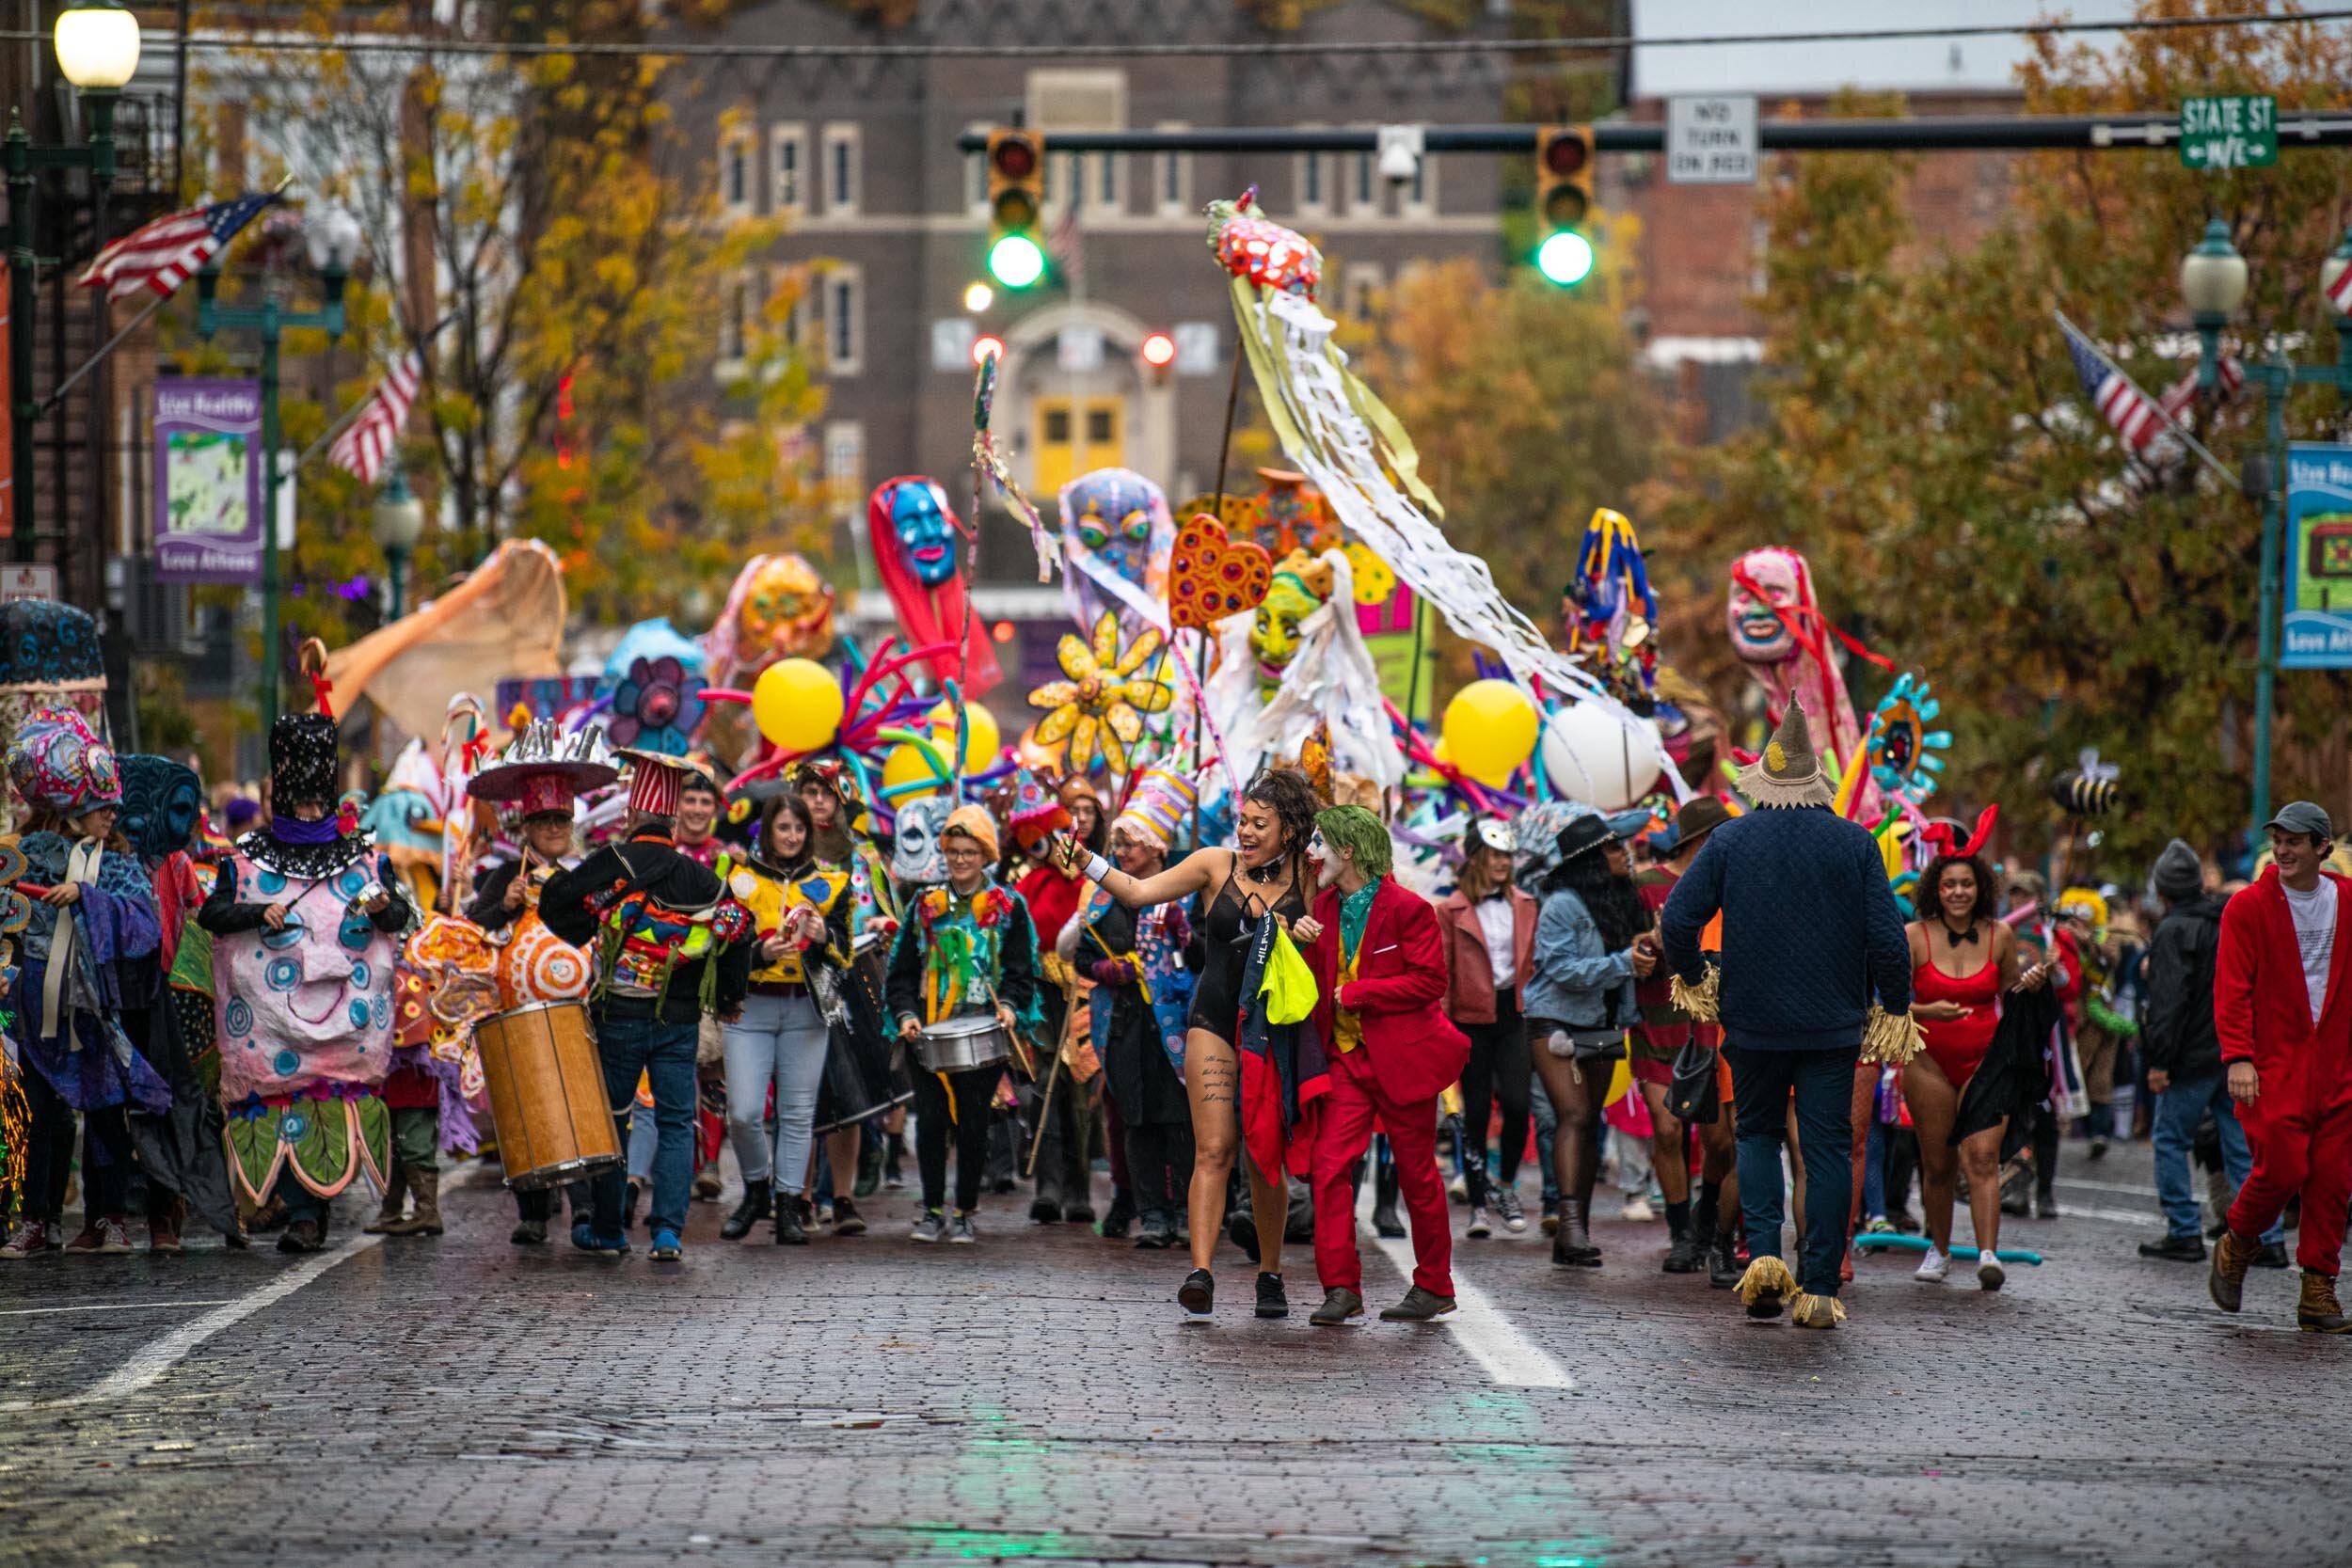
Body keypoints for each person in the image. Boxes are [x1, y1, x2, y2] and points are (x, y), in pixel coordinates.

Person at [1661, 705, 1911, 1329]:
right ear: (1817, 781)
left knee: (1757, 1138)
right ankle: (1821, 1287)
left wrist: (1695, 978)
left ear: (1763, 781)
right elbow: (1888, 938)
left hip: (1751, 1022)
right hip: (1833, 1025)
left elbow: (1676, 920)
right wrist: (1896, 1006)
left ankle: (1766, 1262)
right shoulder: (1854, 843)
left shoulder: (1729, 840)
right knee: (1825, 1151)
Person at [1058, 768, 1324, 1321]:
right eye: (1242, 821)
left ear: (1291, 829)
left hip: (1274, 1031)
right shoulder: (1214, 864)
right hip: (1213, 1021)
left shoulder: (1312, 877)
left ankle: (1269, 1274)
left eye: (1259, 824)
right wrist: (1088, 861)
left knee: (1262, 1153)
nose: (1245, 833)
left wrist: (1311, 935)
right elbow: (1137, 890)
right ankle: (1200, 1273)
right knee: (1214, 1149)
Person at [197, 712, 411, 1254]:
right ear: (282, 794)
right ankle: (300, 1213)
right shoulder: (246, 861)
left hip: (345, 1029)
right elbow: (214, 914)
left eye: (320, 800)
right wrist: (257, 911)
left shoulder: (364, 861)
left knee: (331, 1100)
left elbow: (396, 916)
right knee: (282, 1101)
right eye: (304, 800)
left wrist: (384, 909)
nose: (312, 809)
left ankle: (311, 1213)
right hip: (272, 1032)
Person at [540, 750, 752, 1262]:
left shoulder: (612, 863)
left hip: (619, 1015)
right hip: (678, 1019)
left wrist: (583, 925)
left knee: (615, 1119)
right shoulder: (700, 878)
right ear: (673, 820)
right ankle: (667, 1233)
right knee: (678, 1121)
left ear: (632, 816)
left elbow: (555, 904)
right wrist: (726, 998)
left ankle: (610, 1229)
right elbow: (740, 930)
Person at [1295, 805, 1469, 1324]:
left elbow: (1430, 983)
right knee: (1328, 1169)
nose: (1312, 852)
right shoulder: (1318, 908)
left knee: (1417, 1175)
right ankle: (1341, 1288)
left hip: (1401, 1060)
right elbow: (1309, 986)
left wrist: (1361, 992)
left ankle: (1435, 1286)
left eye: (1321, 842)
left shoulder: (1411, 909)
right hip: (1344, 1061)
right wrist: (1296, 944)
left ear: (1348, 851)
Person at [0, 712, 165, 1259]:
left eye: (112, 808)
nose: (110, 815)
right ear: (73, 807)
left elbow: (146, 924)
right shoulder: (26, 855)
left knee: (103, 1110)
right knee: (41, 1113)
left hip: (93, 1009)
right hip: (35, 1009)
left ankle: (107, 1218)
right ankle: (38, 1219)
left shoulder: (118, 862)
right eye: (101, 807)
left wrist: (88, 899)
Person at [2207, 802, 2352, 1330]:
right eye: (2279, 840)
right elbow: (2232, 989)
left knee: (2333, 1181)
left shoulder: (2348, 900)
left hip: (2339, 1066)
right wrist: (2238, 1056)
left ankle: (2318, 1290)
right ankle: (2239, 1240)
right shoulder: (2247, 907)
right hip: (2272, 1066)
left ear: (2323, 848)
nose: (2284, 850)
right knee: (2285, 1167)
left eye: (2296, 841)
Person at [886, 805, 1041, 1244]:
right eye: (953, 851)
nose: (959, 859)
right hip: (930, 1030)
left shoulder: (1010, 906)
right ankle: (932, 1209)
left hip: (983, 1033)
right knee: (932, 1120)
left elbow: (1020, 971)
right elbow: (900, 969)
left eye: (969, 851)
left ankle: (964, 1210)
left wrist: (1010, 1005)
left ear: (985, 854)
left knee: (973, 1123)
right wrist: (906, 1013)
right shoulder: (924, 904)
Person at [1062, 771, 1198, 1251]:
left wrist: (1185, 935)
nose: (1121, 852)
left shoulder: (1185, 894)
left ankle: (1186, 1211)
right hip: (1121, 1024)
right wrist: (1107, 969)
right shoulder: (1101, 898)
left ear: (1158, 848)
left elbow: (1202, 958)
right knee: (1135, 1118)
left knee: (1179, 1118)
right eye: (1116, 843)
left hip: (1175, 1026)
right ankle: (1152, 1214)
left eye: (1131, 844)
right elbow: (1079, 957)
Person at [1904, 849, 2048, 1290]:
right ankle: (1940, 1250)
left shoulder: (2001, 935)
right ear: (1936, 889)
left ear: (1980, 888)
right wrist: (1928, 1010)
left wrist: (2032, 986)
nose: (1958, 893)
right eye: (1949, 885)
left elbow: (2013, 1000)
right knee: (1937, 1163)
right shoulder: (1913, 935)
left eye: (1966, 884)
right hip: (1927, 1061)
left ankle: (1988, 1254)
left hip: (1986, 1061)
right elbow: (1888, 1004)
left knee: (1982, 1157)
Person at [2139, 838, 2283, 1265]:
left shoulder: (2172, 930)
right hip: (2235, 1052)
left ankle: (2183, 1229)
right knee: (2241, 1145)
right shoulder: (2228, 918)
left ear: (2164, 891)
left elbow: (2168, 1003)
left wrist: (2160, 1060)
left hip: (2190, 1058)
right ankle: (2267, 1236)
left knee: (2170, 1139)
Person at [1523, 813, 1655, 1269]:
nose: (1626, 854)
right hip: (1554, 1018)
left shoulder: (1621, 900)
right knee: (1574, 1115)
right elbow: (1559, 968)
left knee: (1589, 1120)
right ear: (1592, 859)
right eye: (1615, 847)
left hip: (1602, 1021)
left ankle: (1572, 1232)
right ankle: (1572, 1227)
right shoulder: (1562, 904)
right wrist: (1624, 963)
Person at [717, 793, 850, 1244]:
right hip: (750, 1005)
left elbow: (846, 953)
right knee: (744, 1111)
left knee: (797, 1113)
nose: (792, 836)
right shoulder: (738, 879)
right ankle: (756, 1188)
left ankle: (789, 1205)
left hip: (806, 1008)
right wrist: (758, 952)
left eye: (799, 829)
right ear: (768, 831)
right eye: (783, 828)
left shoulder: (832, 882)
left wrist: (823, 934)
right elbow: (721, 946)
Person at [1629, 798, 1734, 1274]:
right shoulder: (1646, 885)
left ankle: (1705, 1217)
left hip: (1712, 1028)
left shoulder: (1733, 887)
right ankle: (1680, 1233)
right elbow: (1627, 946)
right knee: (1668, 1129)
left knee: (1720, 1141)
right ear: (1702, 840)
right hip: (1659, 1022)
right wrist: (1644, 947)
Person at [1435, 818, 1535, 1240]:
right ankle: (1478, 1203)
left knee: (1517, 1104)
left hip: (1514, 1015)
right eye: (1494, 854)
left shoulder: (1528, 903)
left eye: (1507, 855)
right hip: (1468, 1020)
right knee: (1474, 1113)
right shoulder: (1449, 909)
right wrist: (1439, 1027)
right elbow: (1441, 972)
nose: (1502, 863)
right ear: (1476, 858)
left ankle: (1507, 1188)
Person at [1013, 775, 1101, 1224]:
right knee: (1045, 1082)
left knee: (1079, 1088)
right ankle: (1048, 1185)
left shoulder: (1098, 877)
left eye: (1088, 813)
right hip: (1043, 992)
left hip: (1087, 988)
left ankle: (1079, 1186)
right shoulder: (1029, 886)